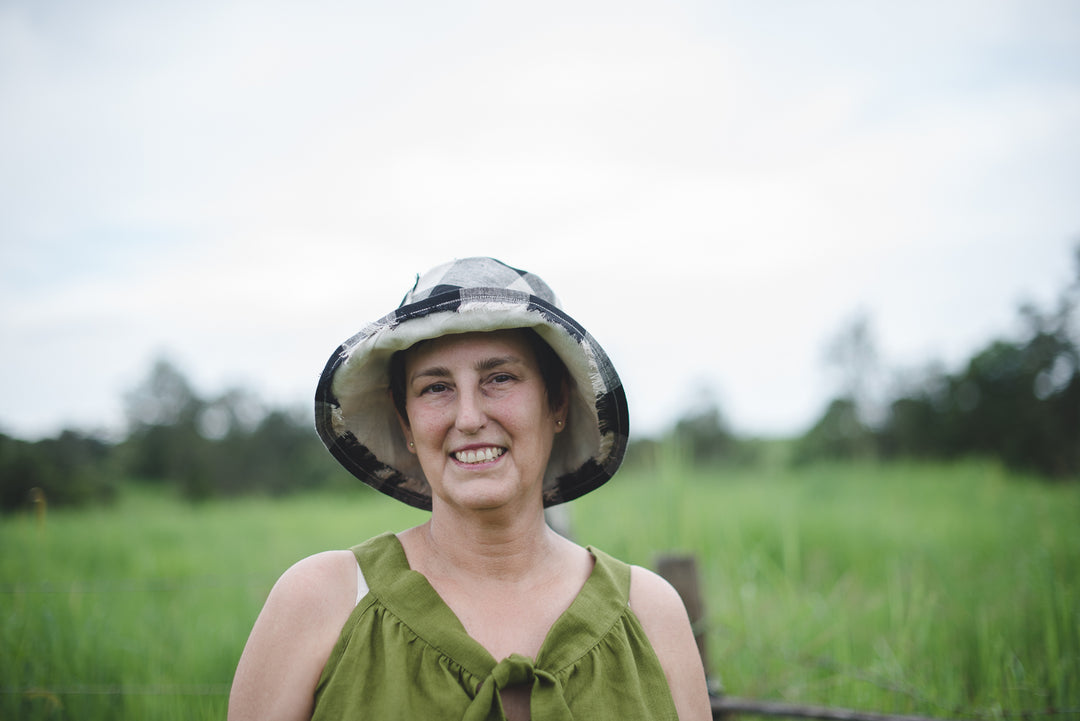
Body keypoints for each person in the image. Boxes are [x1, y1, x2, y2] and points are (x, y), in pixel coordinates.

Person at [228, 257, 712, 721]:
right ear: (407, 423)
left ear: (557, 401)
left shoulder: (650, 613)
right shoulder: (322, 601)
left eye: (499, 378)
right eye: (435, 388)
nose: (468, 418)